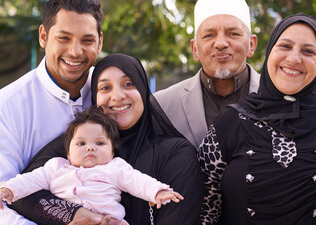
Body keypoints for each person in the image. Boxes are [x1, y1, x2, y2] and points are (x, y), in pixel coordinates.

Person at [198, 13, 316, 224]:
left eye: (308, 51)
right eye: (284, 46)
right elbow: (203, 213)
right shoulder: (230, 122)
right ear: (270, 52)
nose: (293, 58)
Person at [9, 53, 203, 225]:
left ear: (143, 90)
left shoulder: (177, 154)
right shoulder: (76, 142)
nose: (117, 96)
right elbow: (21, 195)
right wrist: (78, 215)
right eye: (105, 87)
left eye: (129, 84)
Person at [154, 0, 316, 149]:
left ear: (252, 45)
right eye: (209, 35)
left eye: (233, 33)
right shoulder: (161, 106)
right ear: (194, 49)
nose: (221, 43)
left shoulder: (287, 98)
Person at [0, 0, 103, 224]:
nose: (75, 52)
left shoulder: (113, 94)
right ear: (43, 36)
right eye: (64, 38)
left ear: (100, 42)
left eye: (87, 40)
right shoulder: (7, 107)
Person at [0, 106, 184, 224]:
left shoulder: (115, 168)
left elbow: (137, 181)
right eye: (81, 143)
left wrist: (158, 191)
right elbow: (30, 180)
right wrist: (9, 189)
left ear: (112, 151)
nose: (90, 149)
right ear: (68, 152)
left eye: (99, 143)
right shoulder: (55, 167)